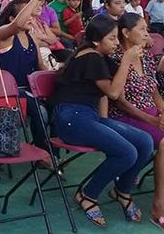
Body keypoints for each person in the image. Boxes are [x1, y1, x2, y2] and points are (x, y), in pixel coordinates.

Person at [52, 15, 152, 227]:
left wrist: (132, 56)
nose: (116, 43)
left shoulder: (100, 55)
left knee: (144, 141)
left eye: (117, 39)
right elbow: (114, 93)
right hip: (71, 118)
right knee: (127, 152)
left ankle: (122, 190)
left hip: (90, 116)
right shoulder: (91, 57)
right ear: (97, 40)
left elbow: (107, 92)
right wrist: (126, 59)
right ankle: (88, 194)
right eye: (112, 39)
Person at [109, 13, 164, 227]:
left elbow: (154, 90)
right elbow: (120, 102)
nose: (146, 34)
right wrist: (152, 121)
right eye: (141, 29)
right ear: (126, 33)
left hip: (150, 113)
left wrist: (161, 110)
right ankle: (159, 204)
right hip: (126, 116)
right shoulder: (115, 58)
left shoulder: (145, 56)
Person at [0, 0, 53, 157]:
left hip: (29, 90)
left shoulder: (32, 38)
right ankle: (45, 154)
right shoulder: (3, 35)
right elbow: (18, 25)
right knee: (38, 108)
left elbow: (40, 67)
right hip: (9, 91)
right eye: (24, 14)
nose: (30, 18)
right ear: (13, 19)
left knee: (59, 103)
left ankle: (53, 152)